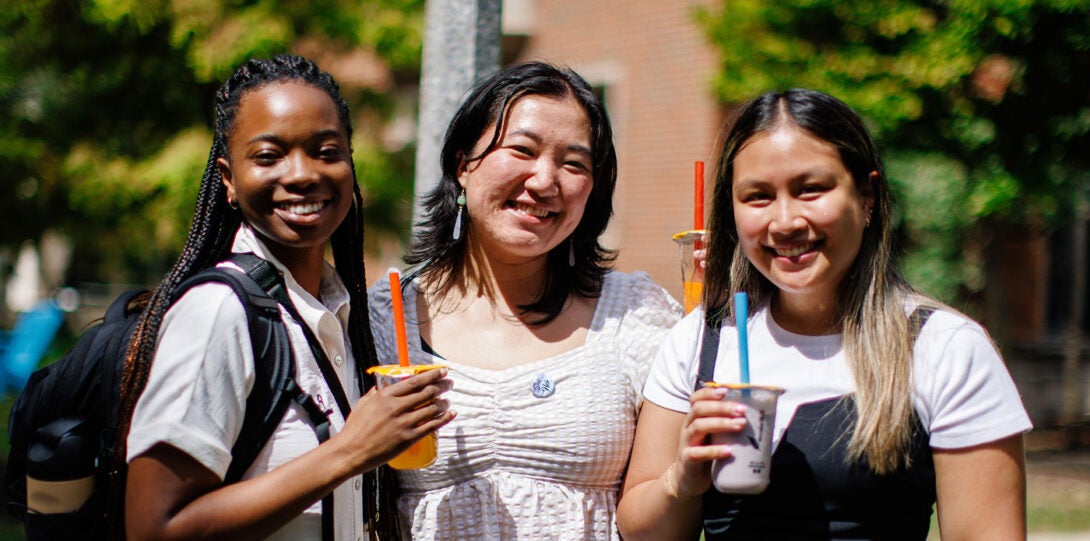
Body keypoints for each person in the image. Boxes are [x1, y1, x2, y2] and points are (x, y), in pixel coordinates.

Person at [617, 88, 1032, 540]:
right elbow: (643, 533)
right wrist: (680, 480)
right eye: (757, 196)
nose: (786, 220)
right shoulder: (702, 339)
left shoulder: (945, 348)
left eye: (810, 189)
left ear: (867, 195)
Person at [117, 54, 455, 541]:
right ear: (229, 180)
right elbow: (154, 527)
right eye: (269, 156)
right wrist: (352, 450)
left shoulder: (335, 312)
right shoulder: (220, 312)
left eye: (326, 150)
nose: (301, 174)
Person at [366, 61, 683, 540]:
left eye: (574, 163)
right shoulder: (380, 322)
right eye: (522, 150)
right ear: (462, 164)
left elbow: (664, 527)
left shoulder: (638, 316)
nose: (544, 180)